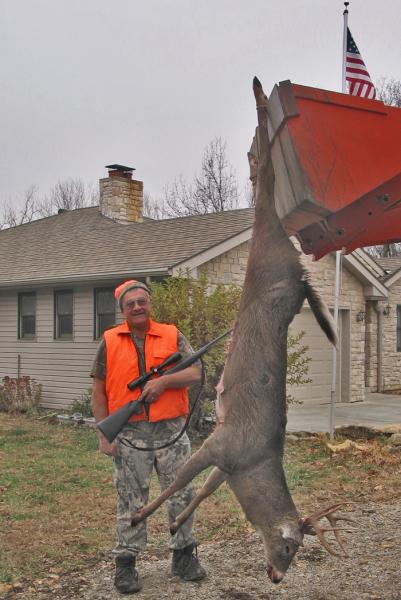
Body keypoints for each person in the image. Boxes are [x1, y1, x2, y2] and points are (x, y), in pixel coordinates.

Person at [91, 279, 206, 594]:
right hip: (129, 434)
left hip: (172, 431)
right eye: (131, 304)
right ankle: (126, 564)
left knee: (182, 494)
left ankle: (183, 556)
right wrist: (104, 434)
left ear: (149, 303)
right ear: (123, 310)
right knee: (131, 501)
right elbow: (99, 391)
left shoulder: (171, 334)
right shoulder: (110, 340)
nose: (137, 307)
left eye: (142, 301)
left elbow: (195, 372)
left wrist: (163, 383)